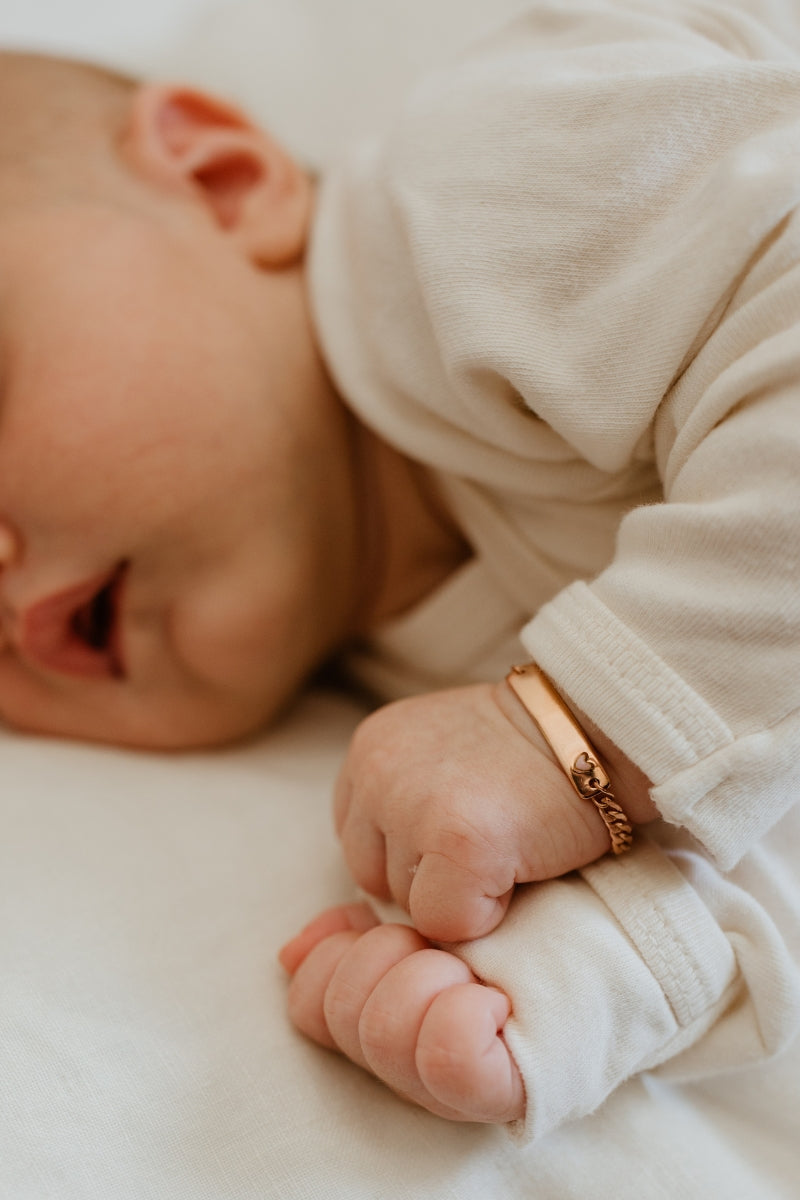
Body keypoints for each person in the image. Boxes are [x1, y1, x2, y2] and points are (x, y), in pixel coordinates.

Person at [0, 0, 799, 1141]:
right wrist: (578, 964)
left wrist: (576, 735)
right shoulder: (401, 676)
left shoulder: (482, 198)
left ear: (224, 182)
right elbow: (753, 780)